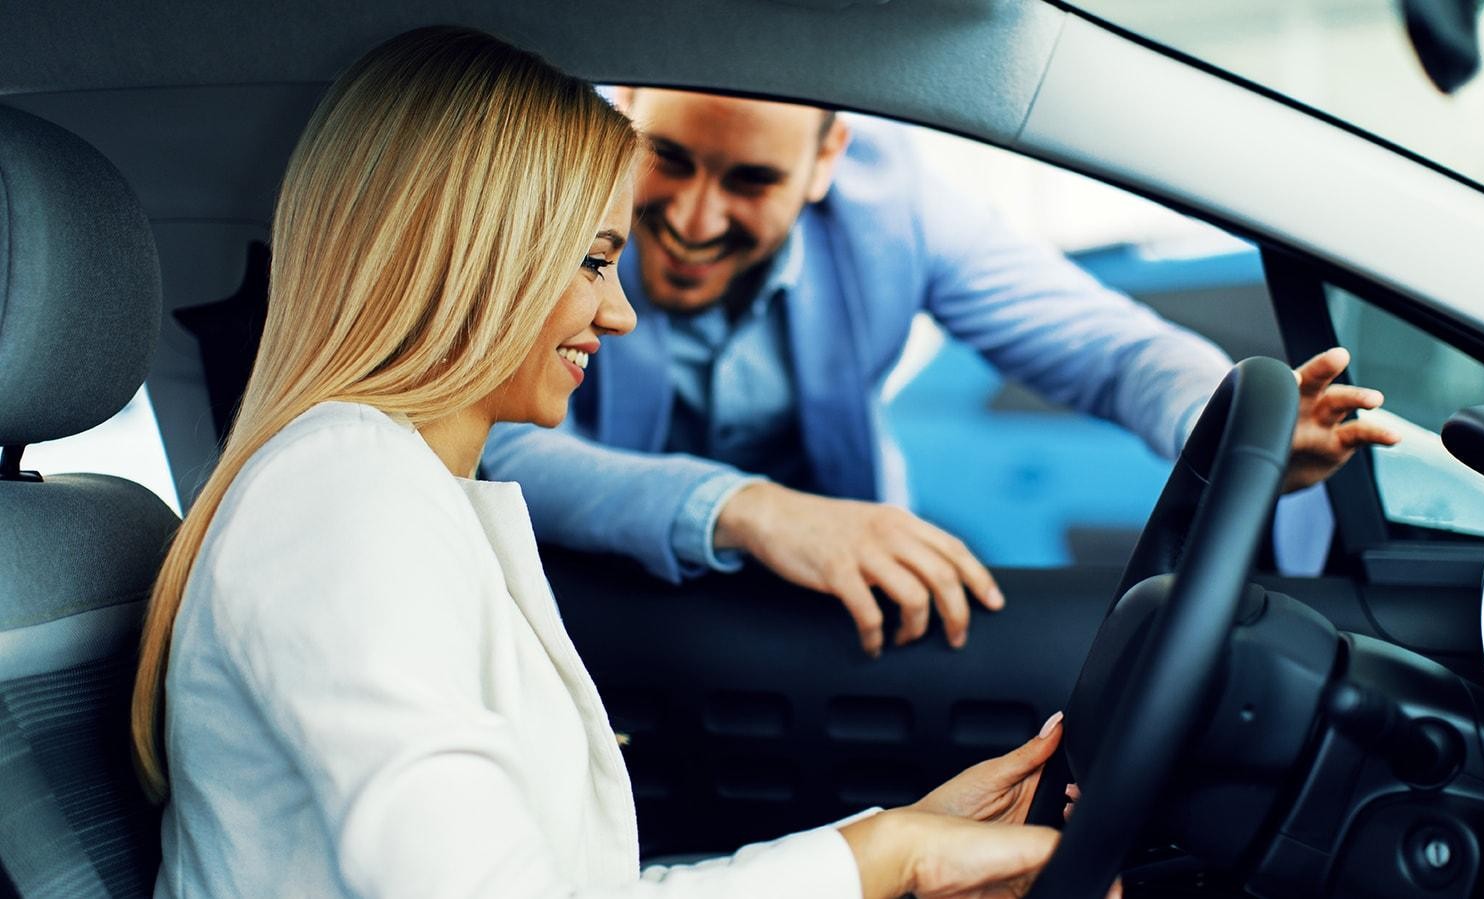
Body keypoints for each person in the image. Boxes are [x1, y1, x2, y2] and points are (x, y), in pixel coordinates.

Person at [130, 27, 1103, 899]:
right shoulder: (344, 496)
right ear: (477, 253)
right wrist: (884, 859)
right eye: (594, 262)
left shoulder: (399, 490)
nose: (621, 312)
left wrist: (888, 850)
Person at [481, 90, 1400, 656]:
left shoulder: (898, 210)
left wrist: (1233, 425)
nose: (691, 216)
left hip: (821, 618)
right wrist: (748, 507)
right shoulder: (550, 193)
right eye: (667, 159)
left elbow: (1110, 350)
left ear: (825, 162)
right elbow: (496, 444)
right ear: (624, 101)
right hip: (581, 605)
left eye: (751, 182)